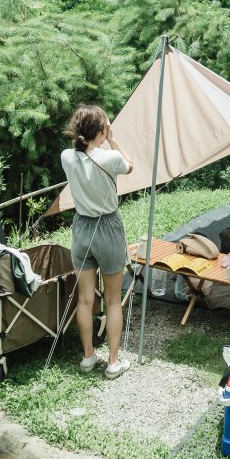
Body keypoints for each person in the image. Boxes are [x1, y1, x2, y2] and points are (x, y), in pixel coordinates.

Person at [62, 105, 134, 379]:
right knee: (113, 301)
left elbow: (77, 150)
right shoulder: (111, 157)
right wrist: (113, 139)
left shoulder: (67, 157)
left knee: (84, 299)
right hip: (108, 228)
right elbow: (130, 166)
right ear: (102, 131)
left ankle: (88, 356)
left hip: (81, 229)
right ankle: (113, 363)